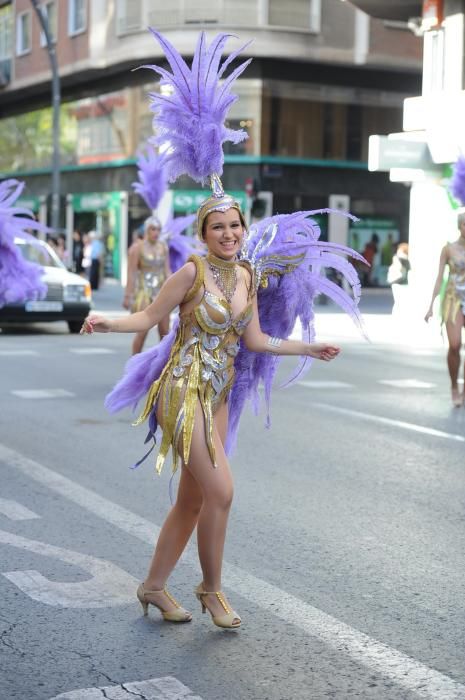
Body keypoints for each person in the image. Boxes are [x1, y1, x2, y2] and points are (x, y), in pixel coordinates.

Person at [80, 30, 363, 630]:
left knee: (192, 498)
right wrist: (107, 319)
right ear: (205, 233)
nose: (230, 234)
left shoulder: (248, 279)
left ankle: (154, 585)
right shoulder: (189, 272)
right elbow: (148, 319)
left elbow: (256, 340)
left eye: (236, 226)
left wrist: (310, 344)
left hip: (220, 394)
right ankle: (212, 589)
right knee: (223, 493)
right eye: (220, 228)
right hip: (182, 389)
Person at [425, 212, 465, 407]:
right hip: (453, 300)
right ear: (460, 226)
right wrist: (431, 305)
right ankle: (453, 386)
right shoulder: (448, 249)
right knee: (455, 345)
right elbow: (439, 277)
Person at [123, 216, 171, 354]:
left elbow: (167, 271)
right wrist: (128, 296)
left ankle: (163, 366)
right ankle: (134, 366)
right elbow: (131, 273)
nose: (156, 232)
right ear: (146, 230)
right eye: (152, 229)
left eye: (158, 229)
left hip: (161, 292)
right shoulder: (137, 248)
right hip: (144, 292)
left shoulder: (163, 247)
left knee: (164, 333)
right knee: (142, 331)